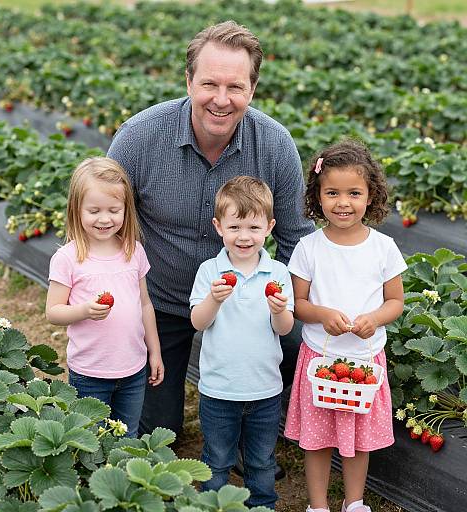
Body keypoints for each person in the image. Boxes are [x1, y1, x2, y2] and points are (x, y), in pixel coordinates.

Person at [107, 20, 314, 438]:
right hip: (161, 304)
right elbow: (105, 229)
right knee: (157, 432)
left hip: (248, 302)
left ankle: (257, 417)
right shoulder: (140, 138)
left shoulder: (273, 145)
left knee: (299, 342)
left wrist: (275, 300)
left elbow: (297, 239)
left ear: (252, 90)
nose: (221, 100)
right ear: (188, 81)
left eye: (235, 87)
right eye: (209, 84)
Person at [284, 140, 407, 512]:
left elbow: (396, 302)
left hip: (365, 361)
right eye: (332, 193)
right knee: (317, 439)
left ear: (371, 196)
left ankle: (354, 502)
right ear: (317, 197)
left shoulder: (383, 248)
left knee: (360, 438)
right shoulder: (309, 247)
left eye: (354, 193)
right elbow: (299, 305)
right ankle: (318, 505)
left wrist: (374, 319)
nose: (343, 202)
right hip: (320, 358)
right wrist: (323, 315)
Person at [190, 176, 294, 508]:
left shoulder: (278, 273)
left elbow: (285, 327)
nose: (244, 237)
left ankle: (262, 506)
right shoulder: (210, 272)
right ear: (218, 227)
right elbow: (198, 321)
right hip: (219, 388)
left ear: (269, 227)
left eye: (253, 227)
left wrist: (279, 310)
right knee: (217, 458)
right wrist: (214, 300)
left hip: (265, 388)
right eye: (235, 227)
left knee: (261, 460)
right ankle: (213, 505)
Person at [45, 157, 164, 438]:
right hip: (90, 372)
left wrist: (154, 351)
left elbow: (145, 305)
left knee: (127, 435)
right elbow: (53, 312)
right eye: (94, 210)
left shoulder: (133, 251)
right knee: (90, 439)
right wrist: (84, 310)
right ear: (76, 210)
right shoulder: (68, 258)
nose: (104, 219)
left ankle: (122, 480)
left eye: (114, 210)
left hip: (133, 369)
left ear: (126, 209)